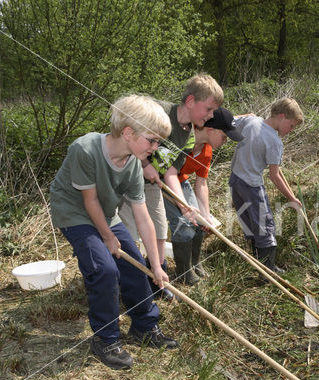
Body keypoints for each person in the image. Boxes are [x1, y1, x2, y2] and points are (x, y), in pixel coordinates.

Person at [49, 95, 178, 371]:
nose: (156, 148)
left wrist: (155, 265)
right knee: (105, 269)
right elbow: (89, 201)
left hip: (105, 213)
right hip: (74, 212)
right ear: (128, 133)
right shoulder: (85, 150)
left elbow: (143, 216)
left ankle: (144, 326)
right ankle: (106, 339)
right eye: (152, 141)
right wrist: (108, 237)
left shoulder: (133, 162)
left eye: (159, 143)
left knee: (134, 263)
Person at [119, 74, 223, 298]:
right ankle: (131, 287)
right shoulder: (159, 112)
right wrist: (145, 163)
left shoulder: (190, 137)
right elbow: (125, 135)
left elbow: (172, 172)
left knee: (159, 230)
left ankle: (157, 281)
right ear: (190, 102)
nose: (211, 115)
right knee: (130, 235)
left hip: (152, 185)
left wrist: (184, 205)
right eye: (209, 109)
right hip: (126, 181)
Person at [164, 107, 243, 285]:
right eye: (224, 136)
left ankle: (194, 263)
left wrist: (205, 217)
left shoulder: (206, 151)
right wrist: (184, 207)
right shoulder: (182, 140)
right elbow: (167, 172)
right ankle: (184, 272)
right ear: (210, 130)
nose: (225, 141)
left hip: (180, 181)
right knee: (184, 224)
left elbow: (201, 183)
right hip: (161, 181)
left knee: (199, 221)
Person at [228, 98, 304, 274]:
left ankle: (258, 264)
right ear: (282, 117)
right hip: (252, 186)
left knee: (250, 223)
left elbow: (229, 120)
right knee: (265, 226)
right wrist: (291, 199)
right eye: (291, 126)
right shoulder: (275, 142)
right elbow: (274, 175)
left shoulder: (251, 121)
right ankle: (268, 271)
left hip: (235, 181)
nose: (291, 131)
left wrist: (247, 115)